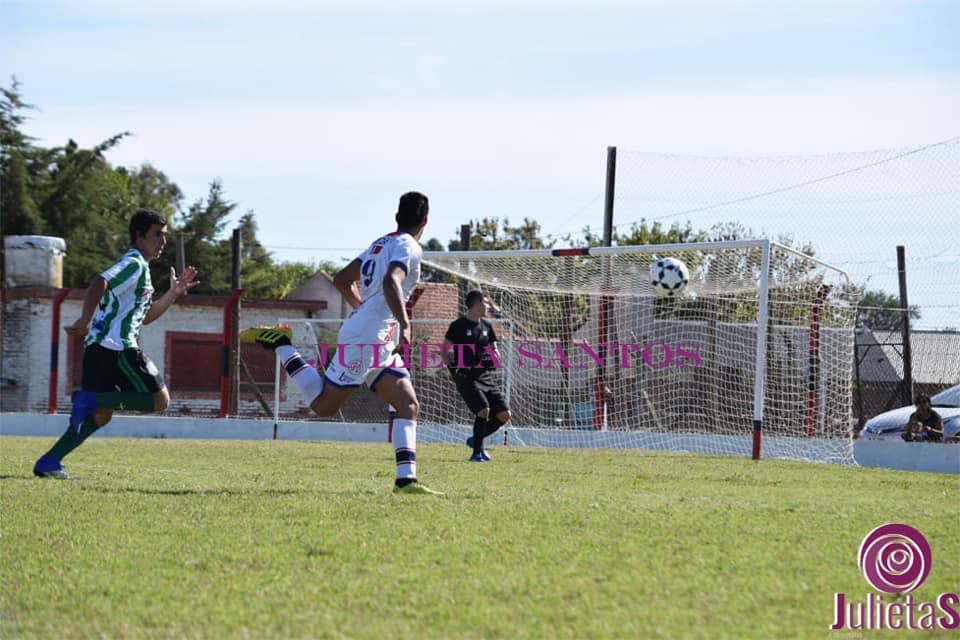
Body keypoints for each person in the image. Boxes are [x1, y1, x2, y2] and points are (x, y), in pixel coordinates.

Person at [240, 192, 442, 495]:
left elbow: (341, 279)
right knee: (323, 406)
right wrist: (405, 322)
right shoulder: (409, 247)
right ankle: (282, 344)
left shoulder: (380, 244)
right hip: (368, 338)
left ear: (396, 217)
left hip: (376, 337)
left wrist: (362, 307)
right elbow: (391, 281)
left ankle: (406, 481)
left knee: (407, 404)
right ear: (425, 221)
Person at [33, 209, 199, 478]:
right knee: (160, 400)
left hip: (99, 348)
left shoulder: (140, 269)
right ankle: (89, 399)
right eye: (157, 234)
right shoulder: (133, 263)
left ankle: (49, 461)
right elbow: (101, 280)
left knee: (101, 415)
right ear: (139, 235)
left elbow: (146, 317)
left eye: (165, 235)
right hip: (117, 348)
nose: (163, 241)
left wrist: (173, 293)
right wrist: (84, 318)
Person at [443, 290, 512, 462]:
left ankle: (476, 440)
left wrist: (495, 354)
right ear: (477, 303)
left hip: (484, 376)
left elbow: (493, 348)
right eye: (486, 302)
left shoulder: (487, 326)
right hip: (466, 376)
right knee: (483, 410)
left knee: (504, 414)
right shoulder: (458, 325)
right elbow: (445, 349)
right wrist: (454, 371)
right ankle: (476, 453)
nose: (488, 305)